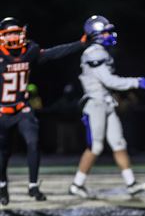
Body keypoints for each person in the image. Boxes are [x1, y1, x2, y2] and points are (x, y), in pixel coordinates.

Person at [0, 17, 88, 205]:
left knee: (33, 142)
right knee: (3, 153)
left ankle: (33, 185)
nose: (14, 36)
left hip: (22, 108)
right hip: (1, 112)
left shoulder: (29, 51)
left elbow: (53, 53)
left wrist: (80, 44)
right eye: (10, 33)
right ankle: (2, 185)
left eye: (16, 32)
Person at [69, 15, 145, 198]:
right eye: (105, 31)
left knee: (118, 143)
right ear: (96, 34)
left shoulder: (101, 51)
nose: (109, 34)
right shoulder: (93, 52)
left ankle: (130, 183)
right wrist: (136, 82)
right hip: (95, 103)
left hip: (106, 102)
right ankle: (77, 184)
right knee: (96, 147)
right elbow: (108, 80)